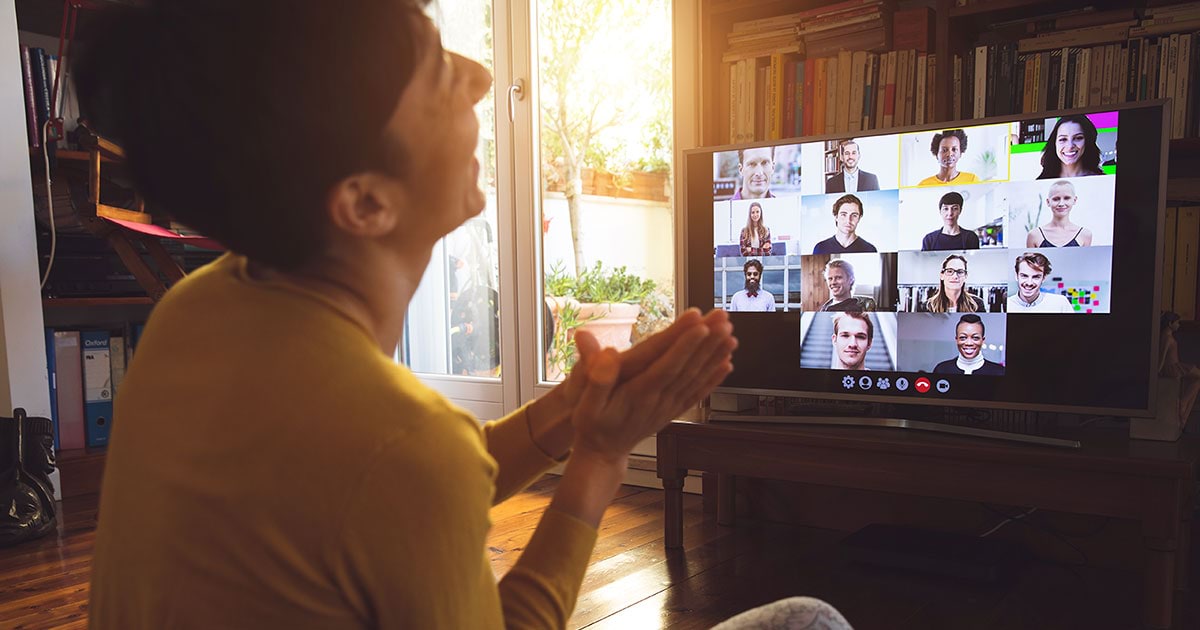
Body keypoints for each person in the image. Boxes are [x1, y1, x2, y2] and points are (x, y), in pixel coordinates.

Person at [74, 4, 739, 629]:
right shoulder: (402, 446)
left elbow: (385, 487)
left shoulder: (193, 313)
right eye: (441, 73)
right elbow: (404, 471)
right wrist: (600, 459)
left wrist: (571, 411)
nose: (479, 79)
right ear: (365, 203)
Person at [1160, 311, 1200, 429]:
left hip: (1177, 366)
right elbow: (1162, 356)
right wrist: (1158, 371)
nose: (1179, 325)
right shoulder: (1166, 337)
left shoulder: (1168, 336)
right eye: (1177, 323)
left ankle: (1184, 405)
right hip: (1173, 368)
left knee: (1197, 382)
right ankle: (1183, 403)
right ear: (1170, 323)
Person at [1024, 180, 1094, 247]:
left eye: (1066, 198)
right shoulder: (1034, 235)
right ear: (1048, 202)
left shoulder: (1085, 235)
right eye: (1056, 199)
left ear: (1074, 200)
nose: (1061, 203)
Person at [1037, 115, 1105, 179]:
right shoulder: (1040, 183)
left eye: (1078, 138)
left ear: (1087, 141)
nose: (1070, 146)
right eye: (1063, 139)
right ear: (1054, 143)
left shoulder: (1102, 180)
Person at [933, 314, 1004, 375]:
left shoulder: (999, 372)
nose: (969, 343)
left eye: (975, 338)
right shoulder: (942, 370)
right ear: (956, 340)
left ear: (983, 341)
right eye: (963, 337)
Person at [1007, 251, 1074, 312]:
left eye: (1036, 277)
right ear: (1016, 276)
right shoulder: (1007, 305)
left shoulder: (1060, 303)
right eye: (1024, 276)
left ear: (1043, 278)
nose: (1029, 283)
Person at [813, 194, 877, 254]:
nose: (848, 220)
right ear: (836, 217)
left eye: (854, 215)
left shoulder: (869, 249)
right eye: (843, 214)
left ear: (859, 218)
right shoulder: (820, 248)